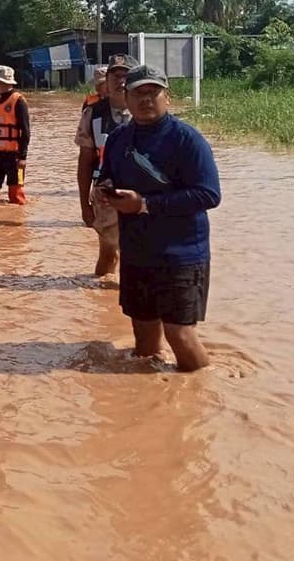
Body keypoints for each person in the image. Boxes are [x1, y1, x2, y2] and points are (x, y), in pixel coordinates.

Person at [94, 64, 221, 372]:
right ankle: (152, 404)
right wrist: (104, 189)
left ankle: (205, 391)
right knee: (145, 343)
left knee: (180, 333)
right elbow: (107, 175)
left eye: (153, 92)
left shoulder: (187, 140)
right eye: (138, 93)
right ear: (125, 97)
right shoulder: (118, 140)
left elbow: (209, 195)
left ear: (168, 97)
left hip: (182, 254)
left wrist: (145, 205)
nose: (146, 99)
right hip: (137, 252)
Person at [76, 54, 136, 276]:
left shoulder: (147, 112)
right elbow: (85, 161)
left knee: (140, 255)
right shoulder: (93, 114)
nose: (121, 81)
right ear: (106, 81)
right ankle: (101, 301)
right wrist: (84, 204)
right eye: (115, 76)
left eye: (126, 76)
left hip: (144, 196)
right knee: (108, 254)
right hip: (105, 198)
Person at [0, 65, 30, 204]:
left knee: (17, 196)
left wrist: (23, 157)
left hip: (14, 156)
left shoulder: (18, 101)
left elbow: (25, 131)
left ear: (0, 82)